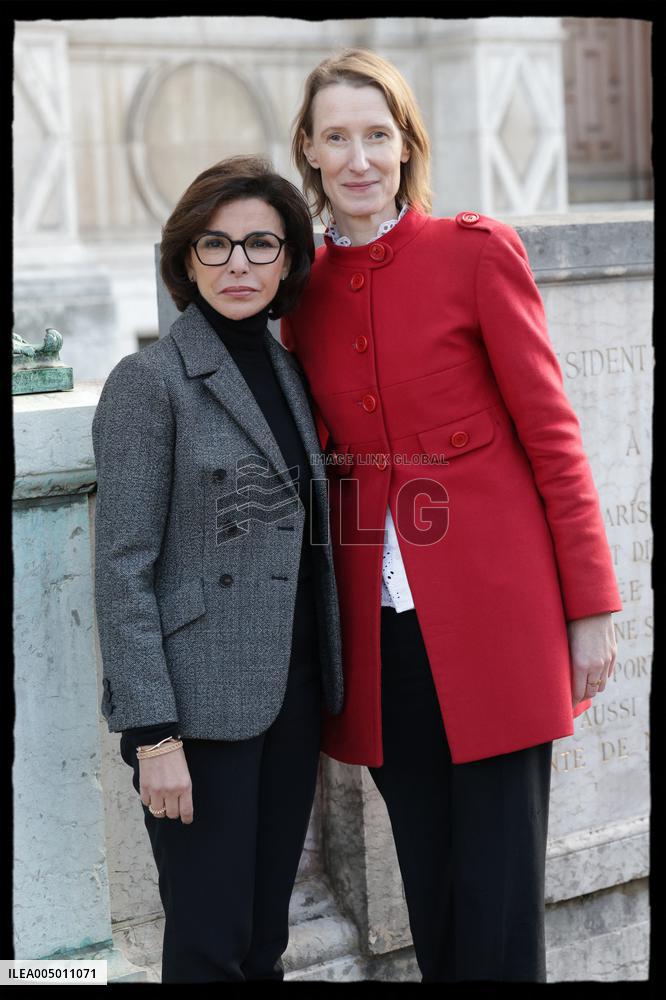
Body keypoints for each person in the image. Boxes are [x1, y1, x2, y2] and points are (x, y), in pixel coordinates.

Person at [281, 49, 622, 983]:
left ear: (405, 146)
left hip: (498, 627)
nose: (358, 158)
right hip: (379, 643)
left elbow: (554, 437)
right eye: (337, 137)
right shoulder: (296, 295)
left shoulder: (475, 254)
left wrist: (589, 606)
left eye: (377, 136)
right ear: (308, 150)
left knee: (503, 905)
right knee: (431, 898)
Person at [92, 155, 343, 983]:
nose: (239, 265)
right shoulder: (148, 382)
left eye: (260, 245)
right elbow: (124, 567)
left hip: (291, 693)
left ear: (288, 260)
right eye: (217, 245)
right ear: (185, 261)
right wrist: (153, 734)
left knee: (264, 938)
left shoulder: (288, 370)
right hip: (195, 713)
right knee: (208, 944)